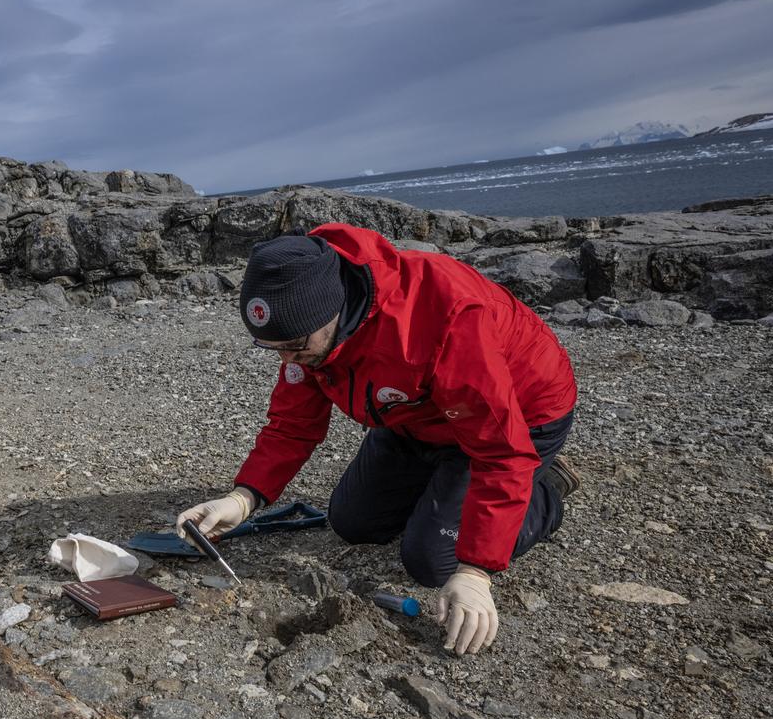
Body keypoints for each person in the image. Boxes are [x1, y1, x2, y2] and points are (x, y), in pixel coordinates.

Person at [176, 224, 579, 656]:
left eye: (293, 346)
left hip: (519, 418)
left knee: (433, 561)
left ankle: (547, 486)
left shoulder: (445, 319)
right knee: (354, 523)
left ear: (333, 311)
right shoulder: (306, 334)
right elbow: (293, 424)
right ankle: (445, 487)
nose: (287, 359)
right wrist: (243, 498)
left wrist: (477, 572)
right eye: (270, 347)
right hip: (413, 417)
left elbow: (499, 451)